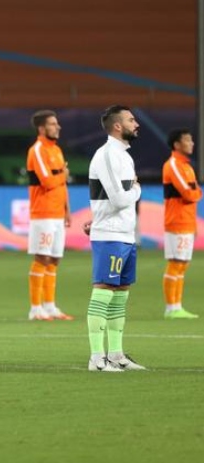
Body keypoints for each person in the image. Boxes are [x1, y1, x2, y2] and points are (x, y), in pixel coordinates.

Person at [84, 105, 146, 372]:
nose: (136, 124)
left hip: (124, 234)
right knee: (104, 289)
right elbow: (120, 199)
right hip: (110, 234)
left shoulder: (123, 156)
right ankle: (97, 358)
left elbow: (115, 198)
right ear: (118, 126)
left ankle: (116, 354)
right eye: (131, 120)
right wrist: (138, 190)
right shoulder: (108, 154)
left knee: (120, 293)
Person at [25, 110, 74, 321]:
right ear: (42, 128)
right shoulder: (37, 150)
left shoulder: (57, 150)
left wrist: (67, 209)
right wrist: (63, 174)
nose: (58, 127)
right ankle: (35, 308)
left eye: (57, 123)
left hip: (57, 213)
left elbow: (60, 184)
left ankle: (50, 305)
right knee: (42, 257)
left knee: (54, 259)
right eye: (53, 124)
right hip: (43, 212)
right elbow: (47, 181)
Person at [161, 128, 201, 319]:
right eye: (187, 140)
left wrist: (194, 224)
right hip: (176, 221)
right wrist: (196, 194)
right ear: (177, 144)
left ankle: (177, 306)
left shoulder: (187, 167)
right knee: (175, 263)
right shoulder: (173, 165)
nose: (191, 143)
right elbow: (189, 194)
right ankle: (171, 308)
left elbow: (195, 193)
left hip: (187, 221)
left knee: (183, 264)